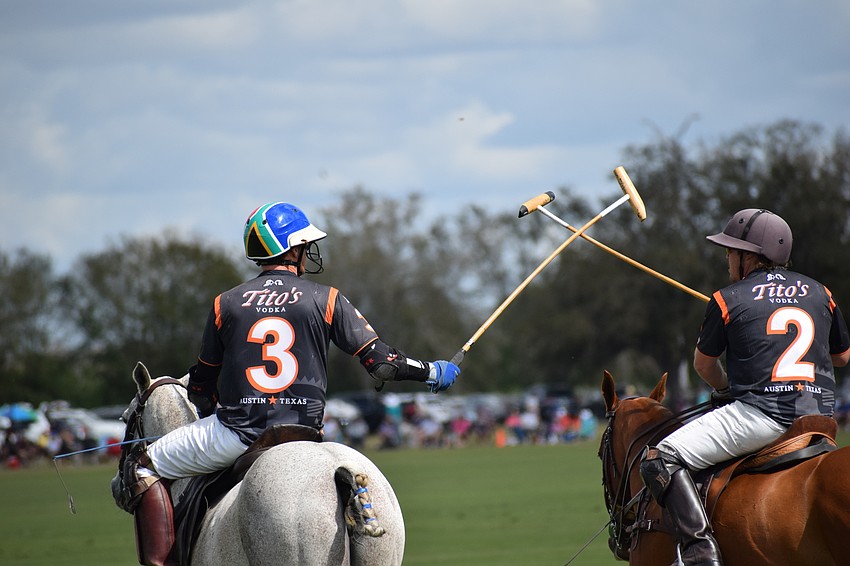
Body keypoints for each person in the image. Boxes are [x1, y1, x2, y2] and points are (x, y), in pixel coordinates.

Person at [114, 202, 459, 564]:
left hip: (238, 434)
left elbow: (200, 388)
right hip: (304, 432)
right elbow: (382, 364)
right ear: (292, 249)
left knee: (142, 465)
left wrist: (221, 400)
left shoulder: (225, 304)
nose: (309, 253)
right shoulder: (326, 299)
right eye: (305, 246)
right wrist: (432, 371)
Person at [639, 208, 850, 566]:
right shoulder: (820, 293)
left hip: (762, 415)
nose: (727, 260)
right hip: (820, 416)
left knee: (659, 457)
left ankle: (699, 551)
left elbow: (704, 366)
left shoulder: (727, 299)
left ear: (748, 257)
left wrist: (725, 388)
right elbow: (842, 357)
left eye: (729, 252)